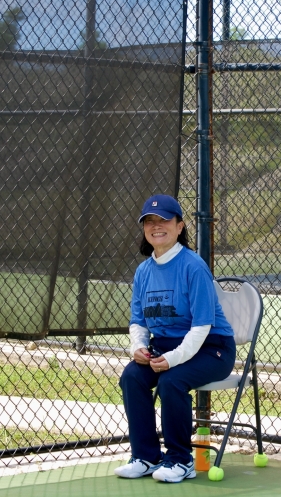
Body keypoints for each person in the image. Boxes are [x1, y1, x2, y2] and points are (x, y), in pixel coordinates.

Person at [114, 194, 236, 483]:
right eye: (150, 221)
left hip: (212, 349)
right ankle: (145, 457)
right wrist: (138, 347)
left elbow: (202, 327)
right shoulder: (143, 271)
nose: (157, 226)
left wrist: (171, 359)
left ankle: (181, 460)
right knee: (132, 376)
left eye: (164, 220)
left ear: (180, 227)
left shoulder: (193, 266)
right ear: (144, 229)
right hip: (166, 348)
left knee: (172, 381)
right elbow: (138, 321)